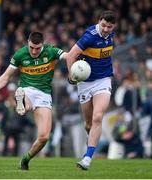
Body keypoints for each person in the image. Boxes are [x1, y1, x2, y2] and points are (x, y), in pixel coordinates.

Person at [0, 32, 66, 170]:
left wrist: (78, 57)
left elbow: (67, 56)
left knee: (44, 137)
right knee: (25, 107)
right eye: (31, 47)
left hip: (44, 94)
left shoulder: (51, 51)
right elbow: (6, 76)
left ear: (43, 45)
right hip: (27, 89)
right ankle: (21, 101)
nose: (34, 51)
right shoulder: (20, 54)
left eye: (37, 48)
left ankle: (25, 160)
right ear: (28, 42)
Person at [65, 10, 117, 170]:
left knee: (98, 117)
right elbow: (70, 55)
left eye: (109, 26)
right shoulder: (89, 36)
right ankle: (91, 136)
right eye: (104, 25)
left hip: (103, 80)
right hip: (85, 83)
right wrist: (72, 76)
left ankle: (87, 158)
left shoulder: (111, 35)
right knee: (88, 123)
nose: (106, 29)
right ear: (99, 21)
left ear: (113, 26)